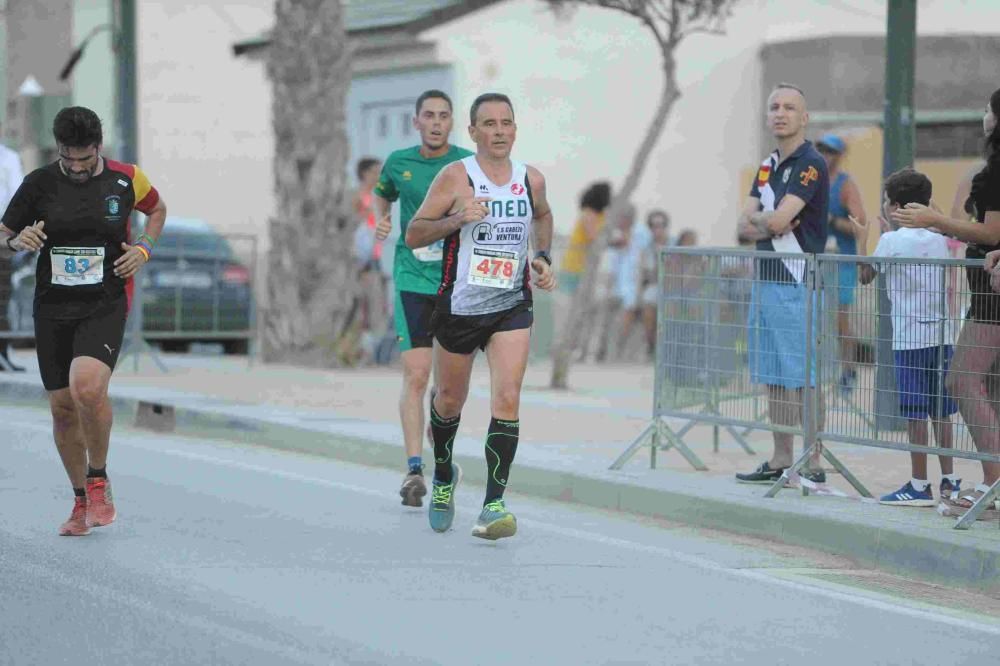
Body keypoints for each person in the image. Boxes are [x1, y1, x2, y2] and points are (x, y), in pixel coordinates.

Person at [0, 106, 166, 536]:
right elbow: (3, 233)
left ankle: (98, 477)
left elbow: (158, 210)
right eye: (68, 158)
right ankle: (79, 501)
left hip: (104, 301)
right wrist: (17, 240)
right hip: (53, 307)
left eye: (85, 159)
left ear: (99, 147)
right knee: (61, 409)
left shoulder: (127, 178)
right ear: (59, 149)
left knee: (87, 387)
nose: (76, 167)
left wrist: (143, 248)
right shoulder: (38, 182)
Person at [405, 92, 556, 539]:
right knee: (449, 400)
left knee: (507, 397)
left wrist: (543, 257)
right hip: (461, 305)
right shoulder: (456, 177)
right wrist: (456, 219)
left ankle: (493, 504)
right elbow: (414, 233)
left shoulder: (531, 179)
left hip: (511, 305)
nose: (499, 132)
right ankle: (445, 474)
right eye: (488, 124)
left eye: (506, 123)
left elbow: (543, 217)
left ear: (515, 129)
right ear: (472, 132)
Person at [893, 88, 1000, 519]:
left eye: (987, 108)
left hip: (992, 302)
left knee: (961, 380)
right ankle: (991, 486)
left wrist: (936, 220)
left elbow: (991, 232)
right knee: (988, 388)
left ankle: (993, 483)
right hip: (985, 292)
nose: (983, 116)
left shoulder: (994, 172)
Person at [372, 90, 473, 506]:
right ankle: (414, 470)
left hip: (456, 282)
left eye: (443, 116)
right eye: (428, 116)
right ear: (416, 122)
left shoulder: (467, 164)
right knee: (416, 374)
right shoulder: (398, 162)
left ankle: (442, 447)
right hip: (411, 277)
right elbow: (384, 190)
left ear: (452, 123)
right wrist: (381, 216)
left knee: (447, 387)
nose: (435, 122)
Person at [735, 83, 829, 485]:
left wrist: (768, 223)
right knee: (773, 373)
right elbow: (744, 227)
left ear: (803, 118)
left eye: (790, 107)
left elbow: (772, 222)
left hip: (796, 280)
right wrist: (768, 224)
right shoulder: (767, 165)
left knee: (802, 375)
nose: (780, 113)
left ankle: (813, 460)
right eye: (774, 106)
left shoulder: (811, 163)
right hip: (766, 279)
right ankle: (780, 458)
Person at [859, 169, 960, 506]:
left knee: (915, 412)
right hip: (942, 335)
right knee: (940, 411)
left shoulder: (889, 242)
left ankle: (919, 484)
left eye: (888, 202)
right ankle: (950, 480)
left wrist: (864, 239)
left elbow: (865, 276)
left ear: (897, 206)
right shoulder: (939, 239)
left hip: (909, 339)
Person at [815, 133, 868, 396]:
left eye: (830, 151)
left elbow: (860, 225)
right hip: (816, 263)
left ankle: (848, 372)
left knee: (840, 321)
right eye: (821, 149)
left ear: (840, 155)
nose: (825, 155)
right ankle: (819, 373)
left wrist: (832, 221)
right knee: (815, 319)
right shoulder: (810, 181)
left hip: (841, 262)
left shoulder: (845, 185)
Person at [351, 157, 386, 365]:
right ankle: (359, 352)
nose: (379, 175)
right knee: (363, 306)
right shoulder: (358, 197)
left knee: (376, 306)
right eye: (375, 171)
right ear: (365, 173)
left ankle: (368, 351)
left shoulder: (376, 197)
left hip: (374, 256)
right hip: (361, 259)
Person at [0, 127, 24, 371]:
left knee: (2, 298)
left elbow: (17, 195)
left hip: (2, 235)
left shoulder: (8, 158)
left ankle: (3, 354)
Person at [561, 181, 611, 293]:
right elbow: (593, 237)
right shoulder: (589, 214)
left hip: (584, 266)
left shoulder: (599, 215)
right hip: (575, 267)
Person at [639, 209, 671, 359]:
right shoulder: (647, 248)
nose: (657, 229)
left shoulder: (674, 243)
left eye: (660, 225)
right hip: (654, 285)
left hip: (673, 286)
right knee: (648, 303)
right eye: (654, 226)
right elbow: (647, 274)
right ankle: (650, 346)